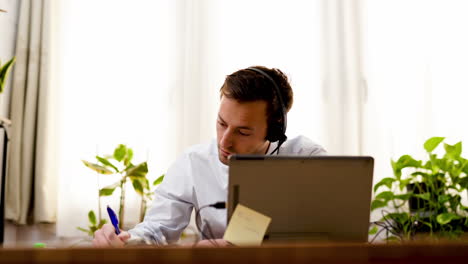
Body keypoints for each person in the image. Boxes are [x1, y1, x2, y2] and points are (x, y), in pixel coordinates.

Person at [92, 66, 327, 247]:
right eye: (221, 123)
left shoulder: (308, 159)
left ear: (274, 131)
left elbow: (333, 234)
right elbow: (157, 230)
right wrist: (126, 240)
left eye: (243, 131)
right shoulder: (194, 163)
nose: (224, 141)